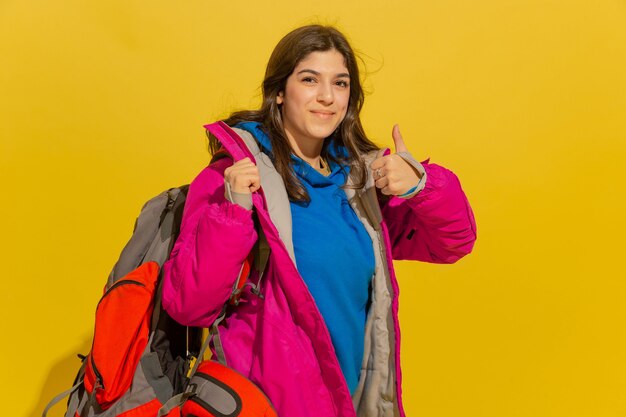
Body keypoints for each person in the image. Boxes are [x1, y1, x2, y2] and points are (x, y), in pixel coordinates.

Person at [161, 24, 477, 417]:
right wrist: (234, 210)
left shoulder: (360, 185)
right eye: (309, 79)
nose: (326, 97)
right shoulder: (235, 177)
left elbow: (453, 242)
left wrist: (419, 186)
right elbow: (190, 306)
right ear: (279, 91)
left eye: (340, 83)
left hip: (348, 400)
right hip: (261, 404)